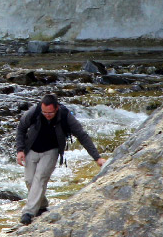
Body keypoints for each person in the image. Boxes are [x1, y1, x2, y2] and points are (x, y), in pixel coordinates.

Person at [14, 92, 105, 225]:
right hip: (31, 148)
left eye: (50, 113)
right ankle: (42, 205)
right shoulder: (34, 112)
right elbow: (21, 128)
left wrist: (97, 158)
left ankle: (28, 213)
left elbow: (82, 136)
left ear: (56, 108)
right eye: (44, 112)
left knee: (40, 178)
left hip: (51, 151)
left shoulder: (65, 116)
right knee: (29, 181)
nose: (47, 116)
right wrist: (20, 150)